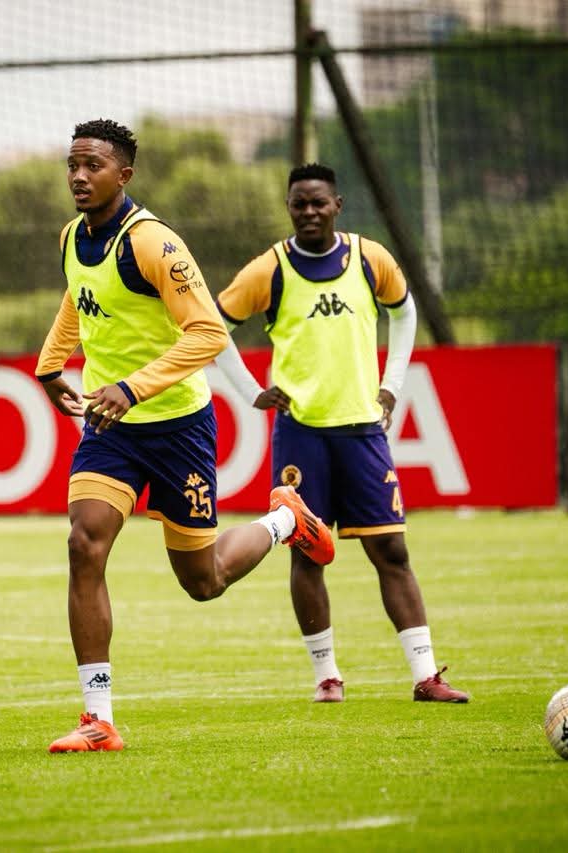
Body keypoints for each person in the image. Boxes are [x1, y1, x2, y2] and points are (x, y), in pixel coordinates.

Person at [35, 120, 336, 753]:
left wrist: (133, 386)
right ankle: (98, 720)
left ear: (126, 175)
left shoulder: (153, 243)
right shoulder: (71, 237)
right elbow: (79, 298)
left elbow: (206, 333)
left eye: (94, 165)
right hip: (111, 432)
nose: (80, 176)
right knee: (83, 545)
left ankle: (285, 522)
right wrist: (50, 364)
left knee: (204, 581)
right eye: (73, 164)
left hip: (177, 429)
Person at [213, 162, 469, 705]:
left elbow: (404, 312)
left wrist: (392, 385)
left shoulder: (370, 258)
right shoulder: (270, 269)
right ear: (289, 208)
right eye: (299, 204)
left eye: (318, 203)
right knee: (308, 554)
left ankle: (426, 676)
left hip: (361, 432)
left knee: (392, 552)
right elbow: (213, 326)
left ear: (338, 205)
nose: (309, 212)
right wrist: (248, 390)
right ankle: (326, 676)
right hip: (301, 434)